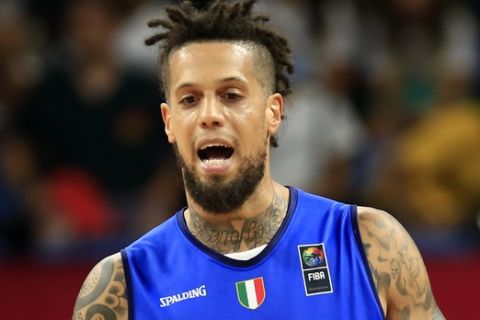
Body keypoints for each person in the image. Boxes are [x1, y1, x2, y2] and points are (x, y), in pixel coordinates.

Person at [72, 1, 444, 319]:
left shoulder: (370, 242)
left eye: (231, 95)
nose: (209, 115)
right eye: (189, 99)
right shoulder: (120, 288)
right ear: (169, 123)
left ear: (273, 113)